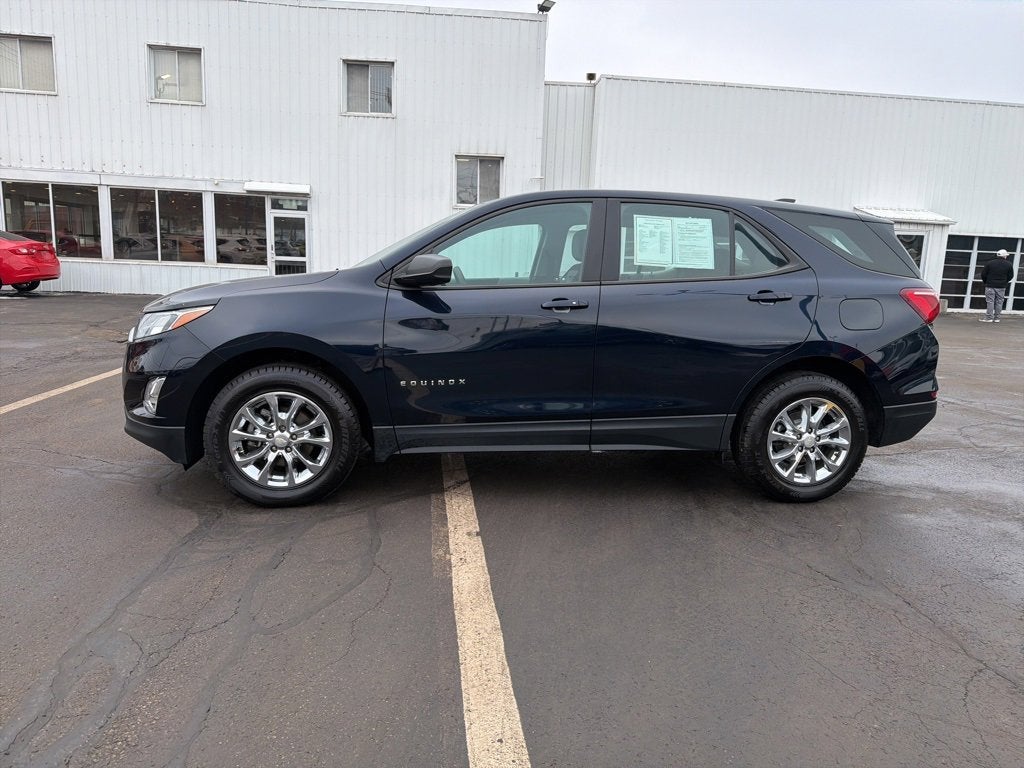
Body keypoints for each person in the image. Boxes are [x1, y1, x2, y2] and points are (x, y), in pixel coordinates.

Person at [979, 249, 1014, 322]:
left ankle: (989, 318)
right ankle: (997, 318)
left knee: (990, 301)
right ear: (1004, 256)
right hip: (1001, 286)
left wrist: (986, 282)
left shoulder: (990, 263)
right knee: (999, 302)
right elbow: (1011, 276)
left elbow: (983, 274)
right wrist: (1005, 281)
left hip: (990, 285)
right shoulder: (1009, 264)